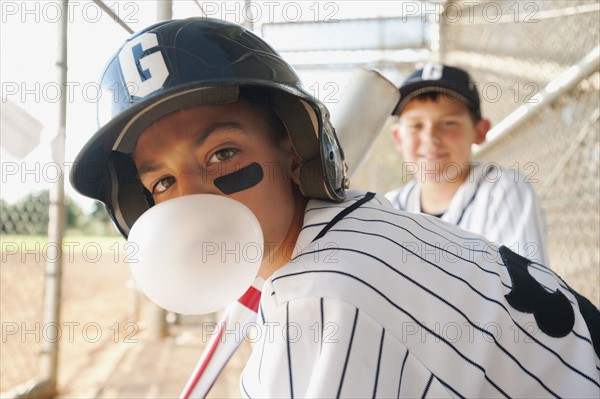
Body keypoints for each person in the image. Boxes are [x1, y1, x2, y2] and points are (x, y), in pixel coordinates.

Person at [70, 18, 599, 398]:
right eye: (161, 181)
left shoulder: (321, 298)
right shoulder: (365, 225)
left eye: (222, 153)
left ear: (294, 149)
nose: (191, 201)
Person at [386, 64, 549, 265]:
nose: (430, 138)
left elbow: (528, 292)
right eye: (415, 125)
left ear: (479, 131)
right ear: (398, 138)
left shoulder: (503, 190)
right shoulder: (388, 207)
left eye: (448, 123)